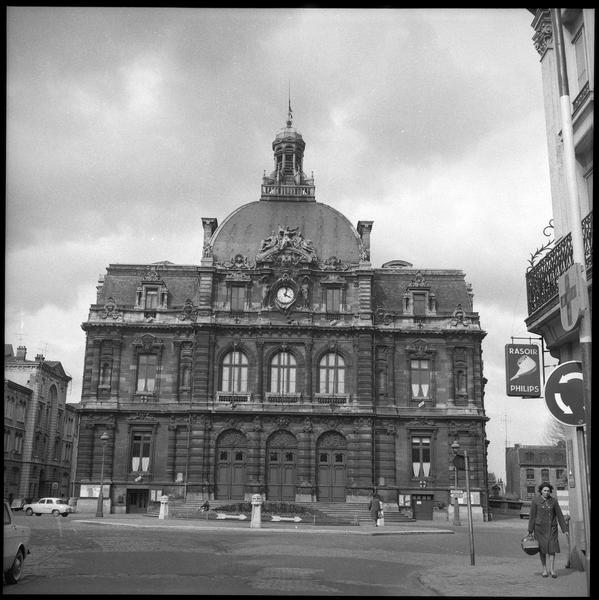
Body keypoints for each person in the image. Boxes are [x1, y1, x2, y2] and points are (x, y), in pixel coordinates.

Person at [528, 481, 568, 578]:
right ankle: (544, 570)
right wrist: (530, 530)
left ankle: (552, 570)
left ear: (550, 491)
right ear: (541, 491)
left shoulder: (553, 501)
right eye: (545, 490)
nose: (546, 492)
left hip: (552, 529)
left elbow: (559, 515)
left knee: (552, 549)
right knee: (542, 550)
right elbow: (532, 516)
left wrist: (565, 529)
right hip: (539, 529)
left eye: (548, 491)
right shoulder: (535, 501)